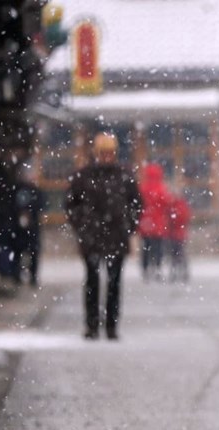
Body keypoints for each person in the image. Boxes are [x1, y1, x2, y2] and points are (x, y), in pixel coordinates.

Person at [65, 132, 142, 340]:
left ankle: (111, 325)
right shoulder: (84, 176)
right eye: (103, 153)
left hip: (116, 237)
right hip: (92, 237)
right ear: (96, 153)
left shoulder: (124, 176)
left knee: (114, 282)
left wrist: (129, 227)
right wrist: (82, 225)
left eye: (110, 153)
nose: (107, 157)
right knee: (92, 280)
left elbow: (136, 204)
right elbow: (71, 204)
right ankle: (91, 325)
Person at [11, 165, 44, 286]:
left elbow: (40, 205)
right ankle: (17, 275)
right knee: (19, 250)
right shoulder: (18, 189)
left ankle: (32, 276)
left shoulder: (35, 190)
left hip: (32, 227)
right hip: (20, 228)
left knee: (33, 252)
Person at [137, 162, 170, 281]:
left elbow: (138, 205)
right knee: (158, 248)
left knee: (146, 248)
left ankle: (145, 269)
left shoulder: (143, 188)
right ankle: (157, 267)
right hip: (158, 225)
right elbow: (167, 204)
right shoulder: (161, 188)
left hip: (146, 224)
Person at [166, 191, 192, 282]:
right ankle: (180, 273)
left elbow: (179, 218)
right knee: (178, 255)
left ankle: (179, 273)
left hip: (177, 235)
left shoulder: (176, 206)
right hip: (177, 234)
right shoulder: (178, 206)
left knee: (177, 255)